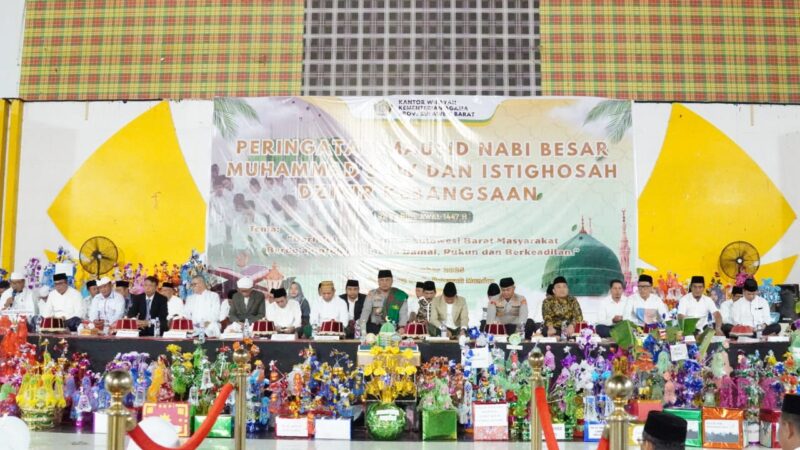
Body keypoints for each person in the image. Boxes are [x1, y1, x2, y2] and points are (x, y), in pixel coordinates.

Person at [359, 270, 409, 334]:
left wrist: (402, 327)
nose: (384, 283)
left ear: (392, 281)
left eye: (387, 280)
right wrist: (362, 329)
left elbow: (403, 314)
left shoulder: (400, 295)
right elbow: (365, 312)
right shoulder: (371, 294)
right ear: (378, 281)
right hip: (375, 329)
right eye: (381, 280)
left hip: (394, 329)